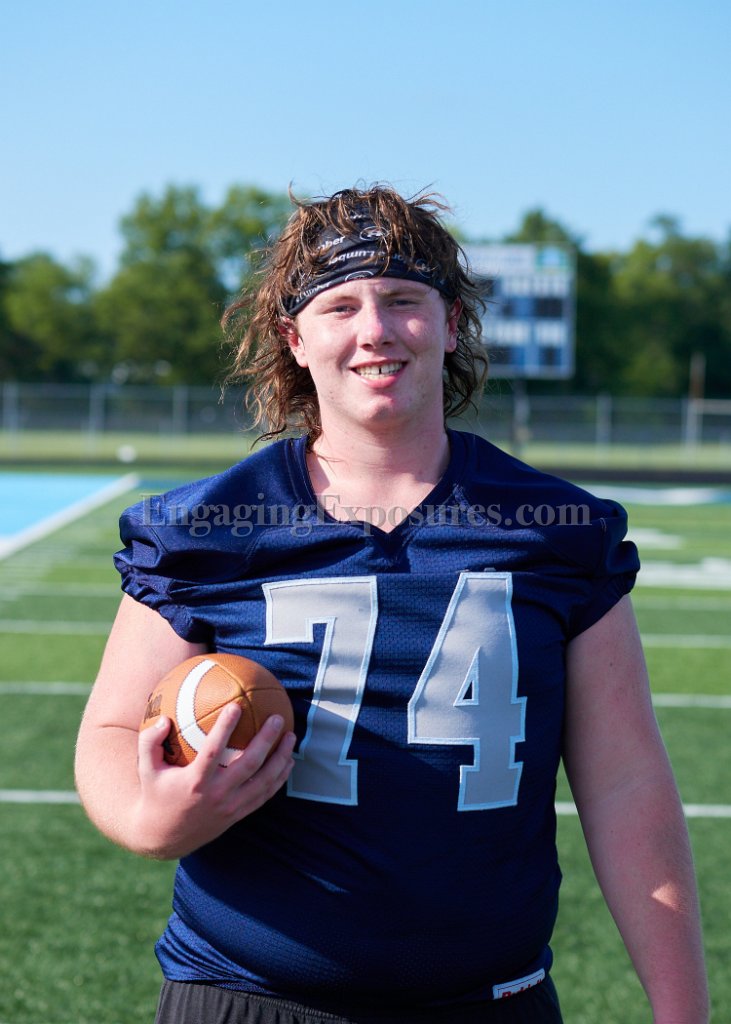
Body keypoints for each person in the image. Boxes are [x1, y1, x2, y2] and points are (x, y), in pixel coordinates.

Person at [75, 185, 709, 1024]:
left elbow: (626, 781)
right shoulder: (206, 528)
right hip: (245, 994)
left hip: (490, 1002)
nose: (374, 329)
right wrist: (146, 817)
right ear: (296, 340)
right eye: (340, 307)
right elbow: (111, 729)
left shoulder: (557, 530)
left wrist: (680, 1009)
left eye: (403, 300)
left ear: (451, 324)